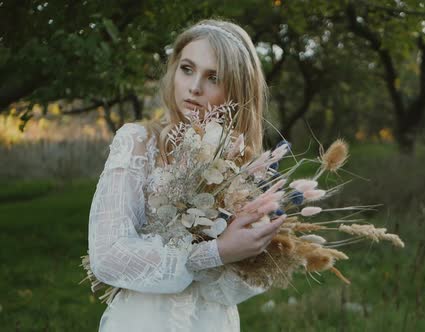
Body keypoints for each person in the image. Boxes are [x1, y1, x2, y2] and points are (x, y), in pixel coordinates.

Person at [87, 18, 284, 331]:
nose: (194, 87)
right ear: (173, 71)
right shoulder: (138, 141)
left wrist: (254, 254)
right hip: (144, 320)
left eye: (213, 77)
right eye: (187, 69)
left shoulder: (242, 165)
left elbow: (229, 290)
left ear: (237, 90)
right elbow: (108, 256)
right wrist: (214, 253)